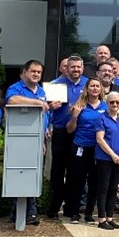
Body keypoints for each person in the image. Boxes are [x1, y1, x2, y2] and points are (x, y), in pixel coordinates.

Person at [4, 60, 47, 225]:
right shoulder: (16, 88)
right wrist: (37, 103)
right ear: (25, 72)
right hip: (20, 140)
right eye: (33, 71)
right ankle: (29, 213)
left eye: (39, 72)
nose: (36, 74)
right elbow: (12, 101)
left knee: (33, 175)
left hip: (37, 140)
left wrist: (44, 136)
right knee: (20, 175)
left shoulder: (41, 91)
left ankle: (20, 213)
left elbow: (43, 116)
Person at [47, 55, 88, 220]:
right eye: (73, 67)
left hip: (80, 133)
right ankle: (54, 208)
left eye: (78, 67)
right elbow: (46, 109)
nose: (76, 70)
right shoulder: (56, 85)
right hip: (60, 132)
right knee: (57, 171)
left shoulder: (88, 84)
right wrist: (50, 106)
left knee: (76, 173)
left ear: (82, 68)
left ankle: (72, 209)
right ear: (66, 68)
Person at [64, 77, 106, 224]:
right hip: (80, 147)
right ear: (87, 89)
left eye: (97, 86)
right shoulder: (79, 106)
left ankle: (89, 213)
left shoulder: (106, 107)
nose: (94, 88)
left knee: (95, 181)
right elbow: (69, 130)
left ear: (101, 89)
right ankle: (74, 212)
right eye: (92, 86)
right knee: (77, 181)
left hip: (98, 149)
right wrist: (75, 117)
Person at [94, 91, 119, 230]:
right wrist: (113, 155)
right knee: (103, 187)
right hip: (105, 158)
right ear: (107, 103)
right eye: (112, 102)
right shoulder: (101, 118)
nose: (115, 104)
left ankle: (110, 217)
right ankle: (101, 219)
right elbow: (100, 139)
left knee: (114, 188)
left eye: (117, 102)